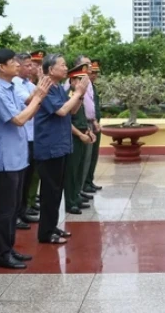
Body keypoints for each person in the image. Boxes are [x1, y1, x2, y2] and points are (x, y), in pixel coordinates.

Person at [0, 48, 49, 268]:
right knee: (4, 210)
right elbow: (19, 119)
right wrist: (38, 98)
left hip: (18, 157)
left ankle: (9, 248)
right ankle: (1, 254)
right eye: (12, 61)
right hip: (6, 160)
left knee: (13, 207)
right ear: (1, 67)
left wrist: (38, 92)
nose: (17, 65)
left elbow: (27, 102)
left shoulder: (11, 87)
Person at [33, 55, 88, 244]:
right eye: (62, 65)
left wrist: (79, 94)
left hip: (61, 146)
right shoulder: (46, 88)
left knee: (56, 191)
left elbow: (72, 110)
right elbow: (61, 111)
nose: (66, 68)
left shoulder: (58, 88)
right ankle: (45, 233)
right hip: (49, 147)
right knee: (49, 192)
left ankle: (52, 226)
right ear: (50, 70)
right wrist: (79, 93)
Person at [63, 62, 96, 215]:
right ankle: (70, 201)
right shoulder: (70, 95)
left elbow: (82, 117)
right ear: (72, 81)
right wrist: (80, 134)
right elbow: (67, 120)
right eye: (79, 79)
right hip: (73, 138)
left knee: (79, 169)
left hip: (82, 136)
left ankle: (76, 196)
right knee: (71, 171)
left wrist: (88, 131)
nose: (83, 83)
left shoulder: (79, 96)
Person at [12, 53, 39, 229]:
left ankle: (24, 210)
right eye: (27, 65)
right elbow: (30, 101)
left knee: (28, 178)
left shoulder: (29, 84)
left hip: (32, 135)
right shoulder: (15, 84)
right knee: (19, 181)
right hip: (22, 136)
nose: (31, 68)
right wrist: (41, 91)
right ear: (18, 66)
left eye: (31, 65)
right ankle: (17, 214)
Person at [24, 50, 46, 215]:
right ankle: (26, 204)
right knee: (27, 176)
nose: (36, 67)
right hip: (25, 134)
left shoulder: (31, 85)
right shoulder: (21, 85)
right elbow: (29, 102)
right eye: (33, 64)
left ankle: (31, 200)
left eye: (39, 64)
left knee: (35, 173)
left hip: (36, 133)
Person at [83, 59, 104, 193]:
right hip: (88, 124)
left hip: (95, 124)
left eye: (96, 73)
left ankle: (89, 181)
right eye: (92, 72)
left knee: (93, 155)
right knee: (86, 157)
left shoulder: (93, 87)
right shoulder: (82, 86)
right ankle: (84, 183)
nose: (94, 75)